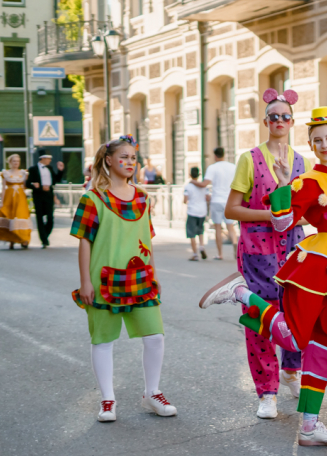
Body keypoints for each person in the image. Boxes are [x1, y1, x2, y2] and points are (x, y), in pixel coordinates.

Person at [201, 106, 327, 447]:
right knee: (295, 339)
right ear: (310, 143)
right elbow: (282, 223)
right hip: (312, 269)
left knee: (323, 348)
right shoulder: (308, 180)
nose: (325, 145)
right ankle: (242, 294)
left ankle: (310, 425)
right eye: (318, 140)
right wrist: (282, 187)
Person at [200, 88, 309, 419]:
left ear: (292, 122)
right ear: (265, 121)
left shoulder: (302, 161)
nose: (279, 121)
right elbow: (232, 209)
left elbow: (305, 213)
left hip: (293, 250)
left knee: (297, 314)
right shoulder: (249, 159)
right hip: (257, 251)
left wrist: (290, 217)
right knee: (261, 321)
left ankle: (291, 370)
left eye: (285, 117)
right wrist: (271, 216)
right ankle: (267, 391)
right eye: (273, 116)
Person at [71, 135, 176, 422]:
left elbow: (147, 239)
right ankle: (107, 399)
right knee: (103, 340)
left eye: (134, 158)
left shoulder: (143, 196)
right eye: (124, 157)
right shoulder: (93, 198)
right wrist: (85, 282)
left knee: (155, 336)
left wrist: (153, 273)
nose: (130, 162)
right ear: (108, 160)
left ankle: (151, 393)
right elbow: (84, 241)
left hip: (141, 278)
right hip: (102, 280)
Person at [192, 147, 238, 260]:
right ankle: (236, 251)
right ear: (224, 154)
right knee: (230, 227)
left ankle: (220, 254)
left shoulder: (212, 168)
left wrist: (193, 182)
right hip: (229, 200)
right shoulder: (232, 167)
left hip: (217, 200)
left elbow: (204, 184)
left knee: (218, 227)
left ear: (215, 156)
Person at [26, 149, 64, 248]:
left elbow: (56, 180)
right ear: (43, 158)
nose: (50, 160)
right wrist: (36, 186)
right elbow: (27, 183)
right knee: (39, 217)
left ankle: (45, 236)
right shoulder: (33, 169)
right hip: (38, 196)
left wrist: (60, 170)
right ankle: (44, 240)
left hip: (49, 195)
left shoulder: (50, 168)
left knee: (50, 218)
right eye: (48, 158)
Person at [0, 154, 31, 249]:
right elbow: (4, 188)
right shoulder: (5, 173)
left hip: (20, 198)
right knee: (10, 216)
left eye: (18, 161)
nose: (16, 163)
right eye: (14, 161)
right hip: (9, 198)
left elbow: (25, 186)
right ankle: (12, 239)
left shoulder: (23, 173)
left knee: (21, 216)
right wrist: (1, 201)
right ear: (10, 162)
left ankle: (24, 239)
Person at [184, 166, 208, 261]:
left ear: (190, 175)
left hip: (192, 211)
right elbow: (208, 198)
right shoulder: (203, 186)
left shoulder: (188, 186)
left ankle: (195, 254)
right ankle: (201, 246)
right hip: (202, 211)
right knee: (200, 230)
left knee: (191, 234)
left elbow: (185, 200)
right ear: (199, 175)